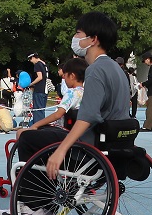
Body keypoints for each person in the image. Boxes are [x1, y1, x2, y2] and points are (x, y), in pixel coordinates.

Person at [40, 12, 138, 184]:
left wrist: (61, 150)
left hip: (93, 144)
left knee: (30, 138)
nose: (74, 38)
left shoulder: (95, 70)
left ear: (93, 39)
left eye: (78, 33)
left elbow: (88, 116)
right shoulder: (117, 69)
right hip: (117, 141)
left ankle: (34, 204)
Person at [13, 58, 85, 161]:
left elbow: (58, 114)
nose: (63, 77)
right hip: (75, 131)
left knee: (22, 133)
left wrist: (35, 125)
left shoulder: (72, 93)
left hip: (65, 132)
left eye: (65, 75)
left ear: (72, 76)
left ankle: (26, 168)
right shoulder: (85, 92)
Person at [27, 52, 50, 122]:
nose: (31, 61)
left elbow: (40, 77)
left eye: (30, 59)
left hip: (39, 89)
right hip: (45, 89)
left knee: (37, 109)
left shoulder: (37, 65)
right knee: (42, 109)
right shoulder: (44, 64)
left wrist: (31, 84)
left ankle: (37, 125)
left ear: (33, 57)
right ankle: (42, 124)